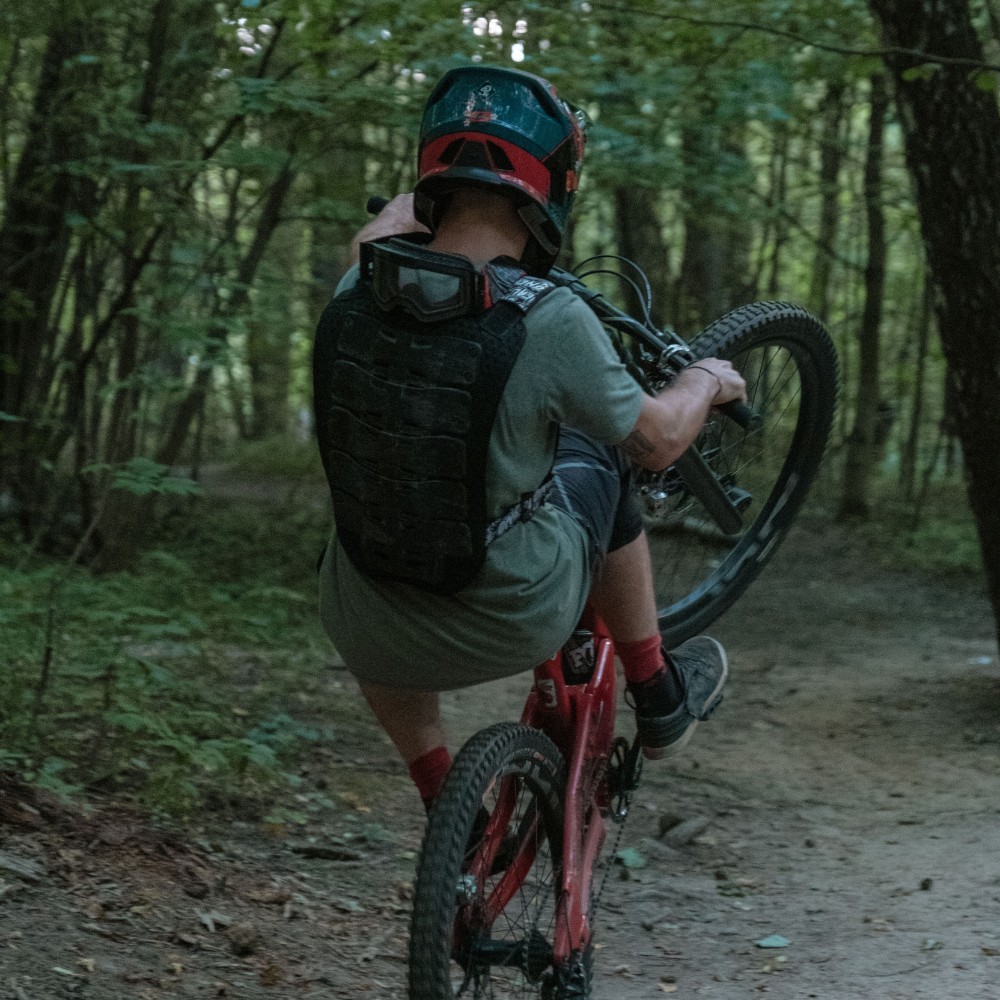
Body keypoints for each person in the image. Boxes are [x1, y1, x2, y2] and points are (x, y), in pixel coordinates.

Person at [312, 65, 747, 811]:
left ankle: (448, 806)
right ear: (555, 182)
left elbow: (369, 244)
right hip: (509, 619)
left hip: (363, 623)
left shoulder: (355, 291)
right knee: (609, 452)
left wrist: (403, 216)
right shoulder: (549, 319)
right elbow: (662, 443)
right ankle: (659, 689)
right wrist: (705, 380)